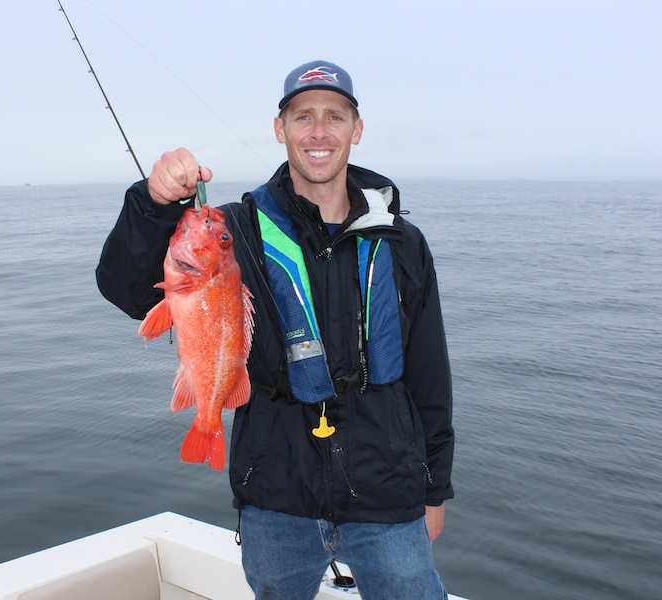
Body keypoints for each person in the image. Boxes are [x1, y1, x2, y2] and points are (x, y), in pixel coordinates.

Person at [97, 59, 454, 600]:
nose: (318, 131)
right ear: (279, 129)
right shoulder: (233, 231)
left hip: (388, 491)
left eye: (334, 116)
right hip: (275, 493)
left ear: (356, 130)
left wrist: (434, 490)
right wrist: (153, 204)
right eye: (302, 116)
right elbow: (124, 289)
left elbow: (430, 377)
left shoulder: (402, 243)